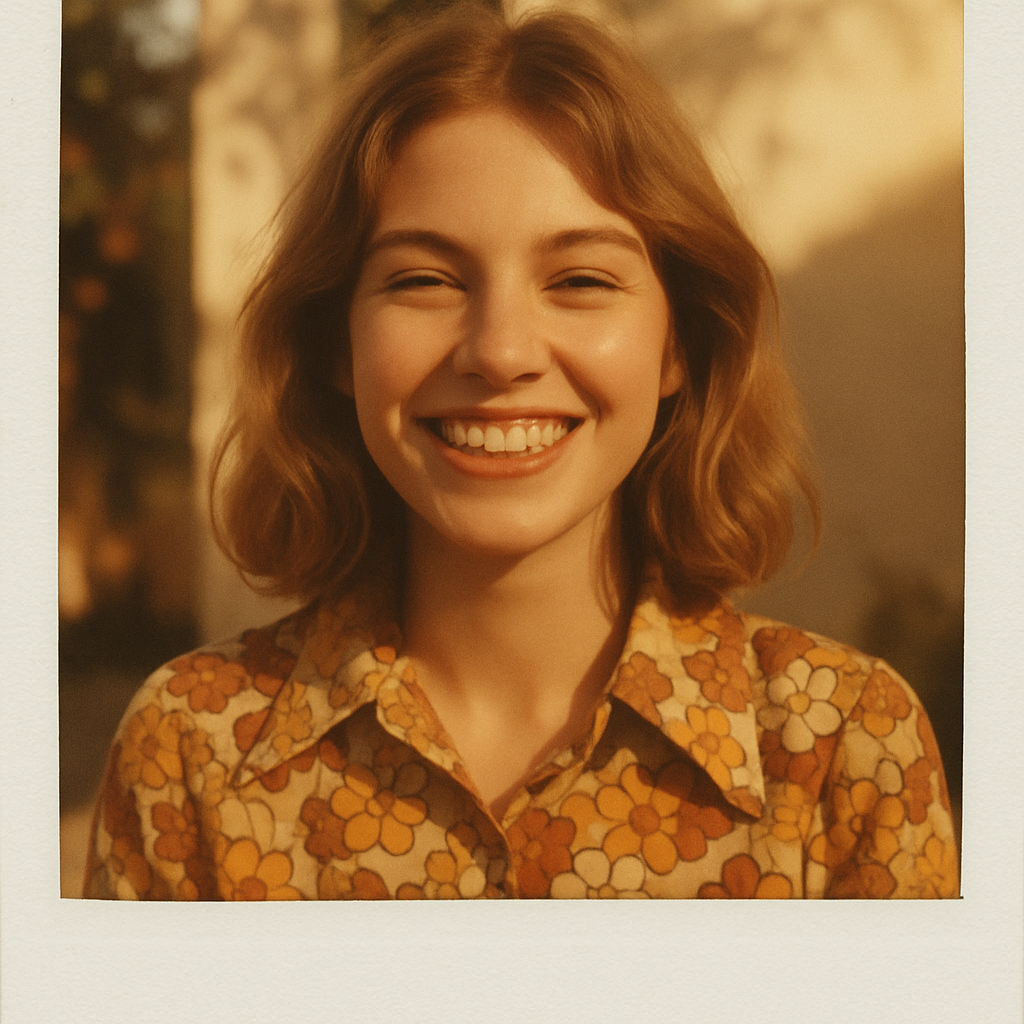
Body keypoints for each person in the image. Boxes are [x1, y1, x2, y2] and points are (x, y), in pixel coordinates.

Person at [84, 5, 958, 900]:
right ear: (333, 345)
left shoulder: (842, 749)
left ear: (678, 345)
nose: (500, 352)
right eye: (424, 279)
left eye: (580, 279)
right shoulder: (191, 751)